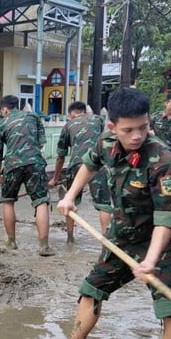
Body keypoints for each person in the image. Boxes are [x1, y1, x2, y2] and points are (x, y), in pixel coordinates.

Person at [46, 88, 171, 339]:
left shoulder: (163, 160)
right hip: (123, 234)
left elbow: (166, 218)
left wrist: (150, 261)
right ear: (112, 127)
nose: (137, 135)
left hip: (164, 243)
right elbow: (89, 163)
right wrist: (70, 196)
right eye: (128, 130)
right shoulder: (107, 142)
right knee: (92, 289)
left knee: (170, 309)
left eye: (143, 127)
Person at [0, 95, 54, 256]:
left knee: (8, 201)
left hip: (12, 165)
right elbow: (40, 143)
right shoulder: (33, 116)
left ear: (5, 109)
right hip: (35, 163)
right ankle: (44, 246)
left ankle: (11, 242)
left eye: (2, 111)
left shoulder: (1, 125)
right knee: (41, 202)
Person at [49, 101, 112, 241]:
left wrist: (55, 178)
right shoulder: (98, 119)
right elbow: (106, 138)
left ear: (71, 115)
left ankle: (70, 238)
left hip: (76, 164)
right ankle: (106, 240)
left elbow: (60, 157)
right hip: (98, 163)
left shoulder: (68, 125)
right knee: (104, 204)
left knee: (70, 201)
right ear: (85, 111)